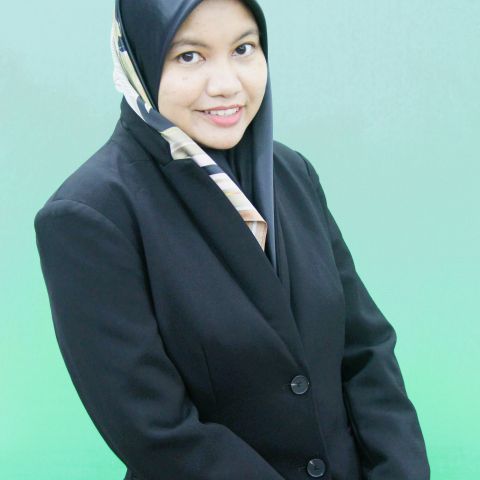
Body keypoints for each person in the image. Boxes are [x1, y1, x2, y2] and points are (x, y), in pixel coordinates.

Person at [34, 0, 430, 479]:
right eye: (189, 56)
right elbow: (158, 432)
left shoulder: (291, 173)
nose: (226, 83)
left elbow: (365, 351)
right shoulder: (89, 216)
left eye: (243, 48)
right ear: (138, 58)